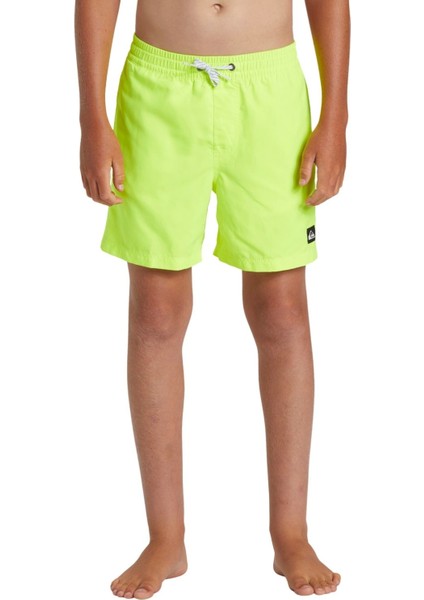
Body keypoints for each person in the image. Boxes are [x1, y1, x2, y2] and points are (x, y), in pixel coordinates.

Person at [75, 0, 349, 596]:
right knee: (156, 312)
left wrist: (336, 116)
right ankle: (165, 537)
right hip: (158, 90)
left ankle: (291, 533)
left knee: (283, 312)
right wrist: (92, 118)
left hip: (270, 93)